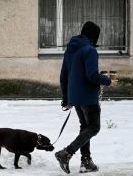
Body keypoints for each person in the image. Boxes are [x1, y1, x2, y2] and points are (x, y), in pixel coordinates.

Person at [55, 21, 117, 174]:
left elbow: (64, 77)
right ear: (94, 35)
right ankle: (67, 153)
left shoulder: (70, 50)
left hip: (75, 97)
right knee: (94, 127)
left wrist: (67, 98)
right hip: (88, 97)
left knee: (85, 127)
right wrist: (108, 81)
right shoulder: (89, 50)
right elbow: (92, 75)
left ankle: (86, 162)